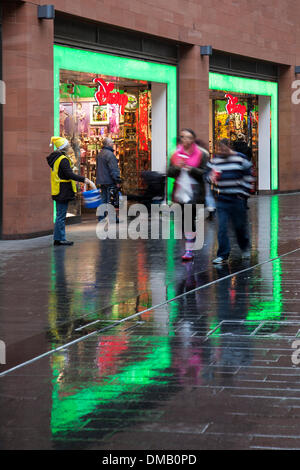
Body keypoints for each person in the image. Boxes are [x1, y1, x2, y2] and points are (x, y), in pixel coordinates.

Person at [207, 138, 254, 264]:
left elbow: (248, 175)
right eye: (220, 149)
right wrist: (211, 177)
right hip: (222, 199)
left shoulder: (240, 158)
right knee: (222, 227)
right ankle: (223, 254)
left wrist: (243, 193)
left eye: (224, 148)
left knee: (239, 226)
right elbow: (207, 175)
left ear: (229, 147)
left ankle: (244, 247)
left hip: (236, 199)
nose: (222, 151)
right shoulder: (215, 160)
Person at [167, 128, 208, 262]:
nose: (186, 140)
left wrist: (191, 169)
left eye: (189, 137)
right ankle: (189, 243)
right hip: (179, 193)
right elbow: (169, 172)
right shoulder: (175, 154)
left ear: (193, 139)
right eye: (183, 137)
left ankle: (189, 249)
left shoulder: (201, 154)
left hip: (195, 193)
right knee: (181, 223)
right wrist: (178, 167)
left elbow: (204, 173)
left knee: (189, 220)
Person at [47, 136, 95, 246]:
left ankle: (58, 238)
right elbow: (69, 174)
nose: (70, 148)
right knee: (61, 216)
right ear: (64, 148)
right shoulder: (63, 160)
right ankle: (60, 239)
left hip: (59, 190)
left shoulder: (57, 159)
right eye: (68, 146)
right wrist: (85, 180)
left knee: (60, 215)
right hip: (63, 190)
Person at [96, 137, 121, 222]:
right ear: (109, 144)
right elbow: (113, 169)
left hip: (102, 181)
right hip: (109, 180)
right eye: (112, 143)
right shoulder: (110, 155)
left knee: (103, 199)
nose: (113, 144)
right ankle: (112, 218)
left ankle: (101, 217)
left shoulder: (100, 154)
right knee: (111, 200)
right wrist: (117, 180)